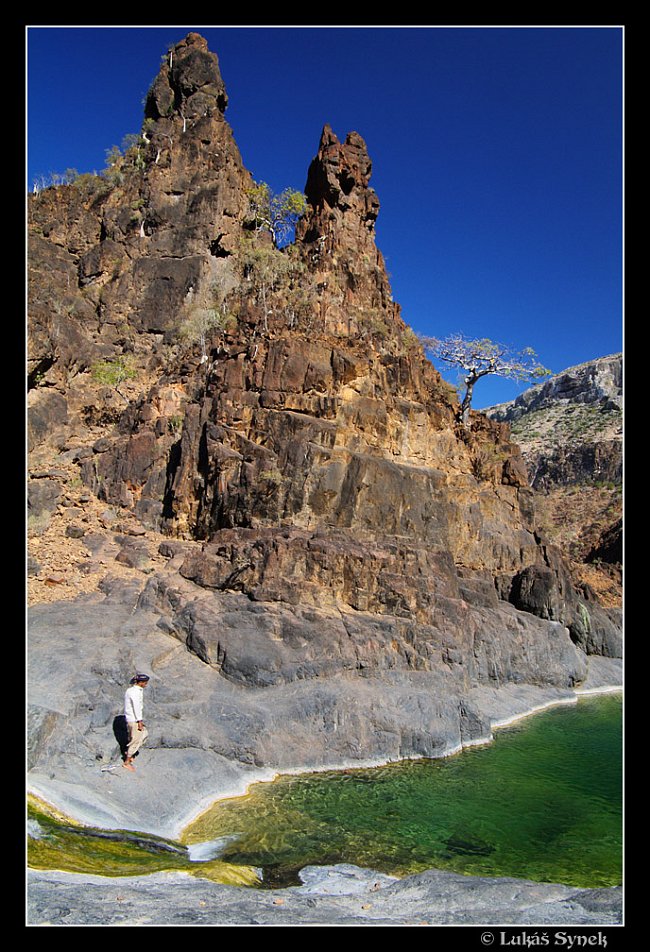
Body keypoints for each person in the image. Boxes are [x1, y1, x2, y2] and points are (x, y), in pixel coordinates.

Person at [123, 674, 150, 770]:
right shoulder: (135, 693)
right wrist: (139, 721)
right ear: (141, 682)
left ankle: (129, 753)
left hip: (129, 718)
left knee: (133, 737)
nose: (146, 684)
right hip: (134, 719)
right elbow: (137, 707)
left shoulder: (131, 690)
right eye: (145, 683)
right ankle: (127, 761)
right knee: (137, 739)